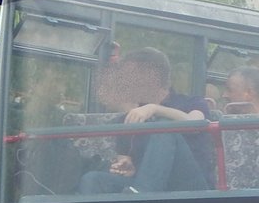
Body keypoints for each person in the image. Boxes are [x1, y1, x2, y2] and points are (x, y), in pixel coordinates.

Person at [78, 48, 212, 194]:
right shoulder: (127, 119)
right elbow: (125, 160)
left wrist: (154, 109)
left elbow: (195, 124)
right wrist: (126, 167)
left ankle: (142, 196)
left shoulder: (192, 102)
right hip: (143, 186)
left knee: (163, 128)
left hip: (191, 189)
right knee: (92, 179)